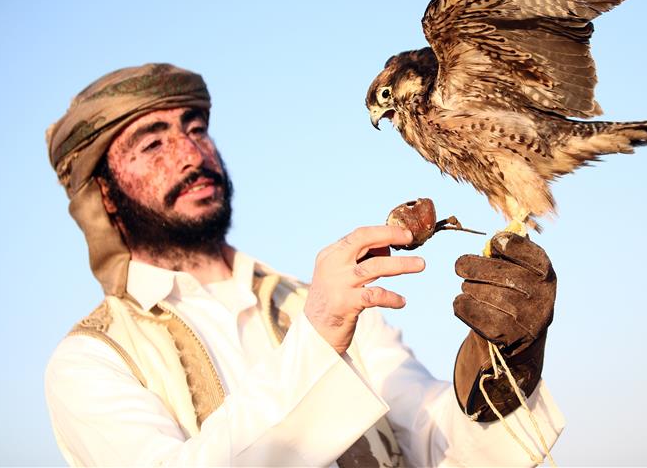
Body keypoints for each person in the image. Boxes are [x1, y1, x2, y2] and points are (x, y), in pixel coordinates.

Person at [44, 63, 565, 467]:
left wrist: (505, 361)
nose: (190, 152)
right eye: (153, 142)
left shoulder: (321, 300)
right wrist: (318, 339)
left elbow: (439, 446)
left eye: (196, 127)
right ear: (105, 194)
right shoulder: (92, 361)